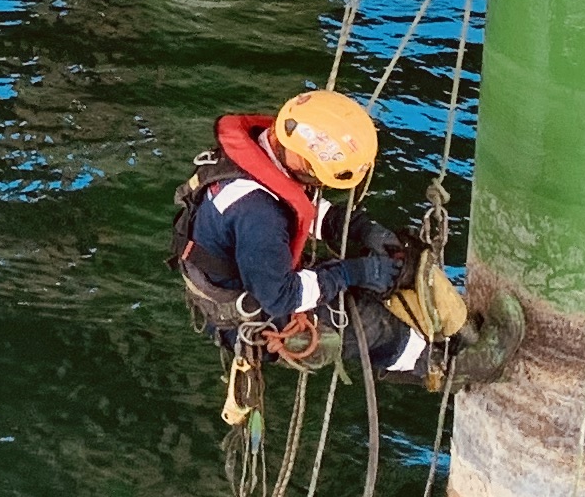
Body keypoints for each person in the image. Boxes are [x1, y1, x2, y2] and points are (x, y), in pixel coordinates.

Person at [169, 88, 467, 386]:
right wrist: (356, 271)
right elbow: (281, 297)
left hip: (254, 266)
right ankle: (437, 365)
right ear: (303, 162)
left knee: (369, 275)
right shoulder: (258, 213)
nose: (318, 184)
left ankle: (453, 331)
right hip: (255, 310)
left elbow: (300, 208)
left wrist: (365, 232)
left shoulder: (266, 149)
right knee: (366, 321)